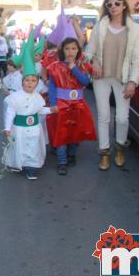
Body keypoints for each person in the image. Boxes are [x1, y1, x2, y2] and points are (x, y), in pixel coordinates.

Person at [86, 0, 139, 171]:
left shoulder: (135, 30)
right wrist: (94, 60)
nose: (113, 7)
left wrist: (133, 82)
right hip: (101, 78)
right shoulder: (100, 26)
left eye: (117, 4)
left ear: (124, 5)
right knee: (103, 116)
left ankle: (120, 147)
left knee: (121, 118)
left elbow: (138, 60)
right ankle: (104, 153)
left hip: (123, 78)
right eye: (109, 5)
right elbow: (89, 51)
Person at [48, 37, 97, 175]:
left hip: (78, 105)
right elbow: (52, 86)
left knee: (75, 132)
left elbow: (85, 81)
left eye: (74, 48)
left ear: (78, 51)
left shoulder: (81, 66)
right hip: (61, 105)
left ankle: (72, 155)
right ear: (62, 50)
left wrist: (73, 68)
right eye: (67, 48)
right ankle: (62, 161)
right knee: (61, 133)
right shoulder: (55, 67)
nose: (70, 51)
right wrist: (53, 103)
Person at [2, 48, 53, 180]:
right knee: (20, 146)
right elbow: (10, 112)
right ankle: (19, 164)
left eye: (33, 80)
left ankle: (31, 168)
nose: (30, 83)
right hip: (19, 128)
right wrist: (7, 128)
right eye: (27, 80)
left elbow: (40, 110)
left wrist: (51, 110)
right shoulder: (15, 97)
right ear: (22, 81)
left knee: (33, 146)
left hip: (34, 128)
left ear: (37, 83)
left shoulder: (37, 97)